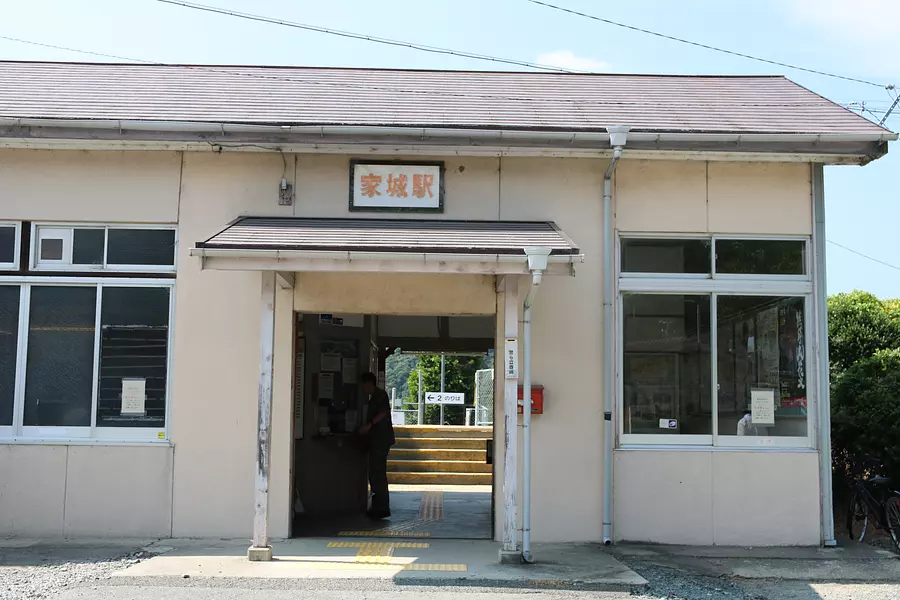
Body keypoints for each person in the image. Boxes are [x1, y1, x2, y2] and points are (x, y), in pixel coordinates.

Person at [359, 372, 395, 519]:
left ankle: (381, 508)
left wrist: (369, 425)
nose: (363, 388)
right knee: (376, 473)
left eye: (363, 385)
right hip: (378, 440)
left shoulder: (380, 395)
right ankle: (379, 506)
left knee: (377, 474)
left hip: (380, 440)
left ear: (369, 383)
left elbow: (382, 413)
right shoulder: (375, 396)